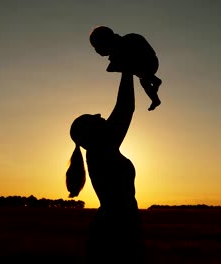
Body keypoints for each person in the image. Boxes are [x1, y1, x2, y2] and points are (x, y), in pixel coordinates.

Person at [66, 72, 145, 263]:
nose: (99, 115)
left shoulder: (99, 151)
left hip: (117, 227)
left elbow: (125, 110)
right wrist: (127, 69)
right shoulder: (99, 149)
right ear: (88, 133)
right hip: (115, 230)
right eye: (91, 118)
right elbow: (125, 108)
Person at [89, 25, 162, 111]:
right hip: (148, 65)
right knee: (143, 81)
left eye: (97, 46)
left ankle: (154, 82)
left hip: (148, 63)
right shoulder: (121, 45)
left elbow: (113, 67)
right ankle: (155, 96)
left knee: (140, 77)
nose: (97, 50)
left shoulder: (123, 44)